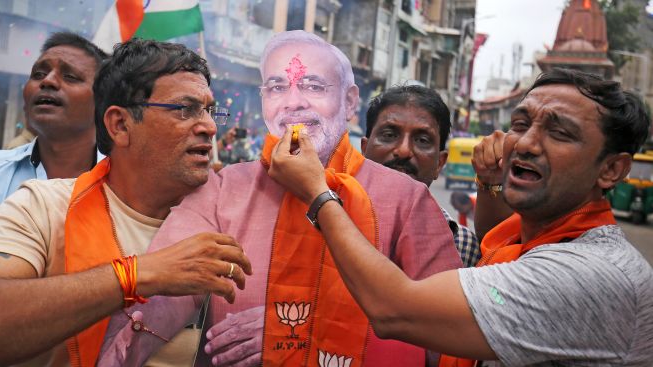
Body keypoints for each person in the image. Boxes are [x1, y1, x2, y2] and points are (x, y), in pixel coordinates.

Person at [103, 30, 462, 367]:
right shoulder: (223, 190)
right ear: (263, 101)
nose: (293, 103)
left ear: (349, 100)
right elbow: (158, 301)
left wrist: (301, 332)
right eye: (277, 87)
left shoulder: (406, 200)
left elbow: (451, 337)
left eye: (313, 85)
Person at [268, 68, 653, 365]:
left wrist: (317, 193)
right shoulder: (522, 244)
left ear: (611, 170)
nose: (526, 143)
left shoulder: (587, 274)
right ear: (363, 148)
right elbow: (497, 242)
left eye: (560, 133)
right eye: (520, 125)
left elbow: (394, 309)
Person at [0, 38, 252, 367]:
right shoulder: (42, 208)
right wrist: (136, 275)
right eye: (186, 109)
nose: (209, 127)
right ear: (120, 125)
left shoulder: (234, 218)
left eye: (210, 110)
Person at [0, 32, 106, 224]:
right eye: (38, 74)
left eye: (70, 76)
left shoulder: (128, 188)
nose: (47, 81)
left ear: (103, 101)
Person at [362, 85, 481, 267]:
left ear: (439, 164)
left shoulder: (463, 247)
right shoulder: (325, 221)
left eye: (422, 140)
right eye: (389, 135)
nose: (403, 151)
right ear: (364, 150)